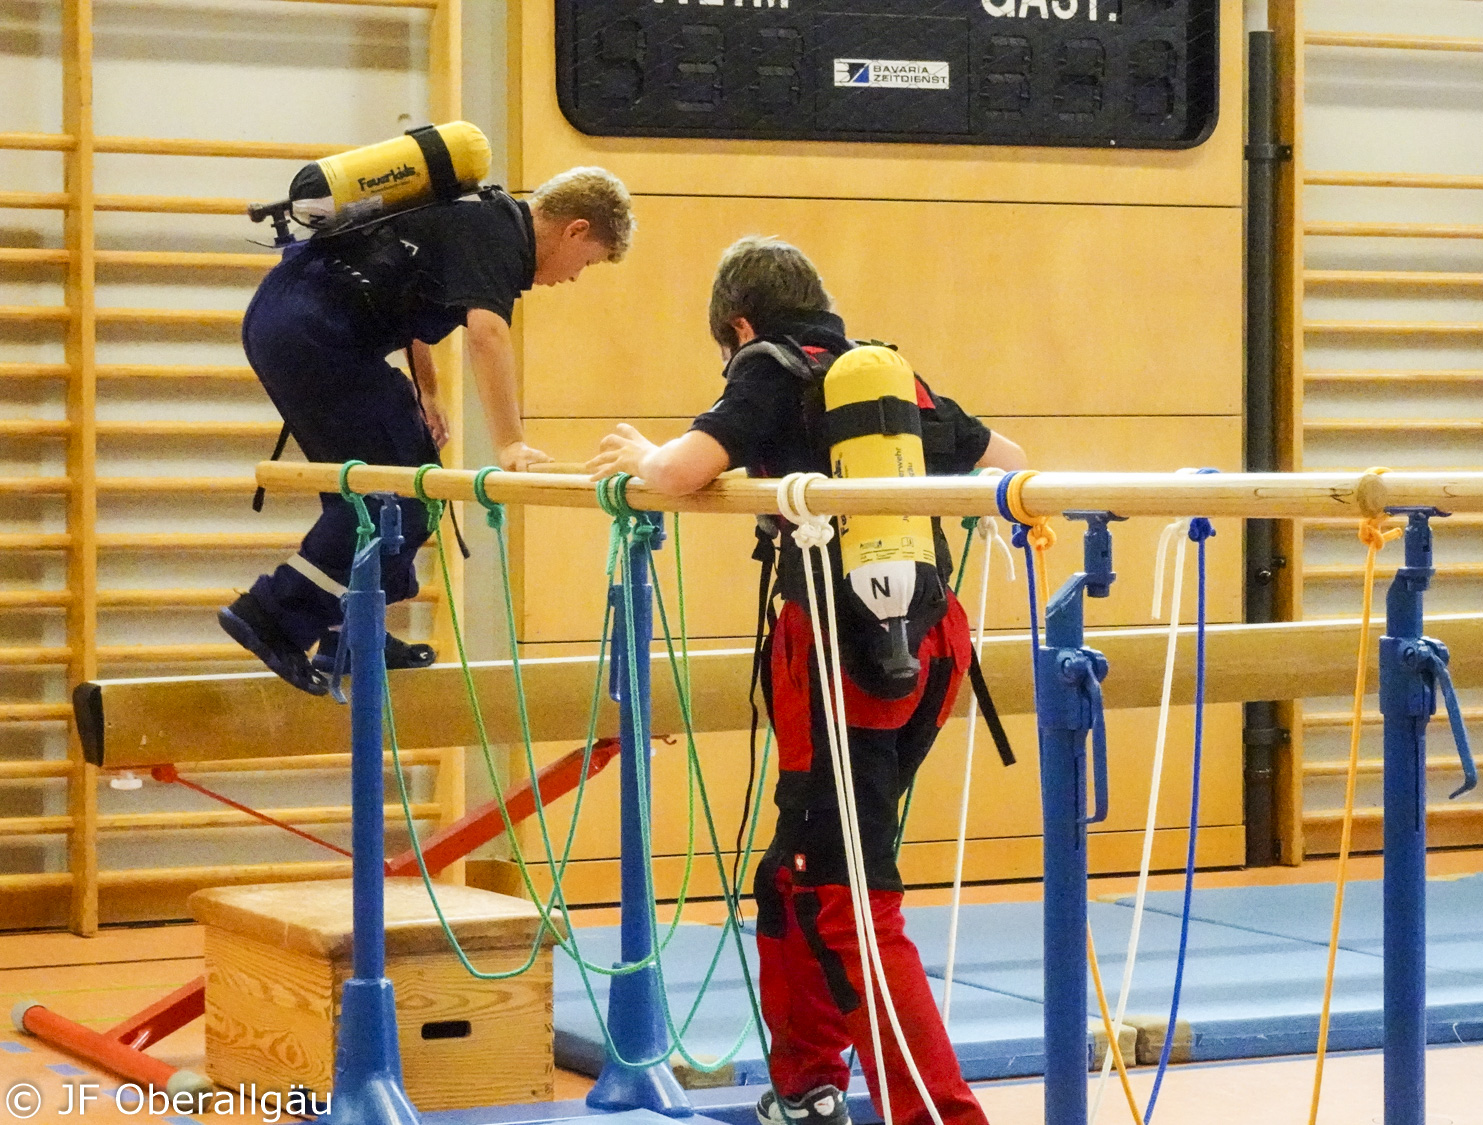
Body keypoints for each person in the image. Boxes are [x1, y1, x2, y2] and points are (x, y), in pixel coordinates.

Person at [586, 236, 1026, 1125]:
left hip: (839, 651)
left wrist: (641, 452)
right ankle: (806, 1084)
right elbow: (1006, 456)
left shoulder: (769, 364)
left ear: (740, 323)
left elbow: (679, 472)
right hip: (932, 641)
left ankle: (939, 1113)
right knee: (793, 874)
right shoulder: (884, 379)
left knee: (843, 888)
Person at [221, 167, 635, 694]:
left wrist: (428, 393)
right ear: (575, 230)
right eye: (589, 261)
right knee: (397, 500)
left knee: (382, 496)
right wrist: (509, 444)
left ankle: (350, 632)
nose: (575, 276)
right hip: (315, 334)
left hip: (291, 323)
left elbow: (414, 307)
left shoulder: (477, 218)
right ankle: (271, 617)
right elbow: (487, 334)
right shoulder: (500, 236)